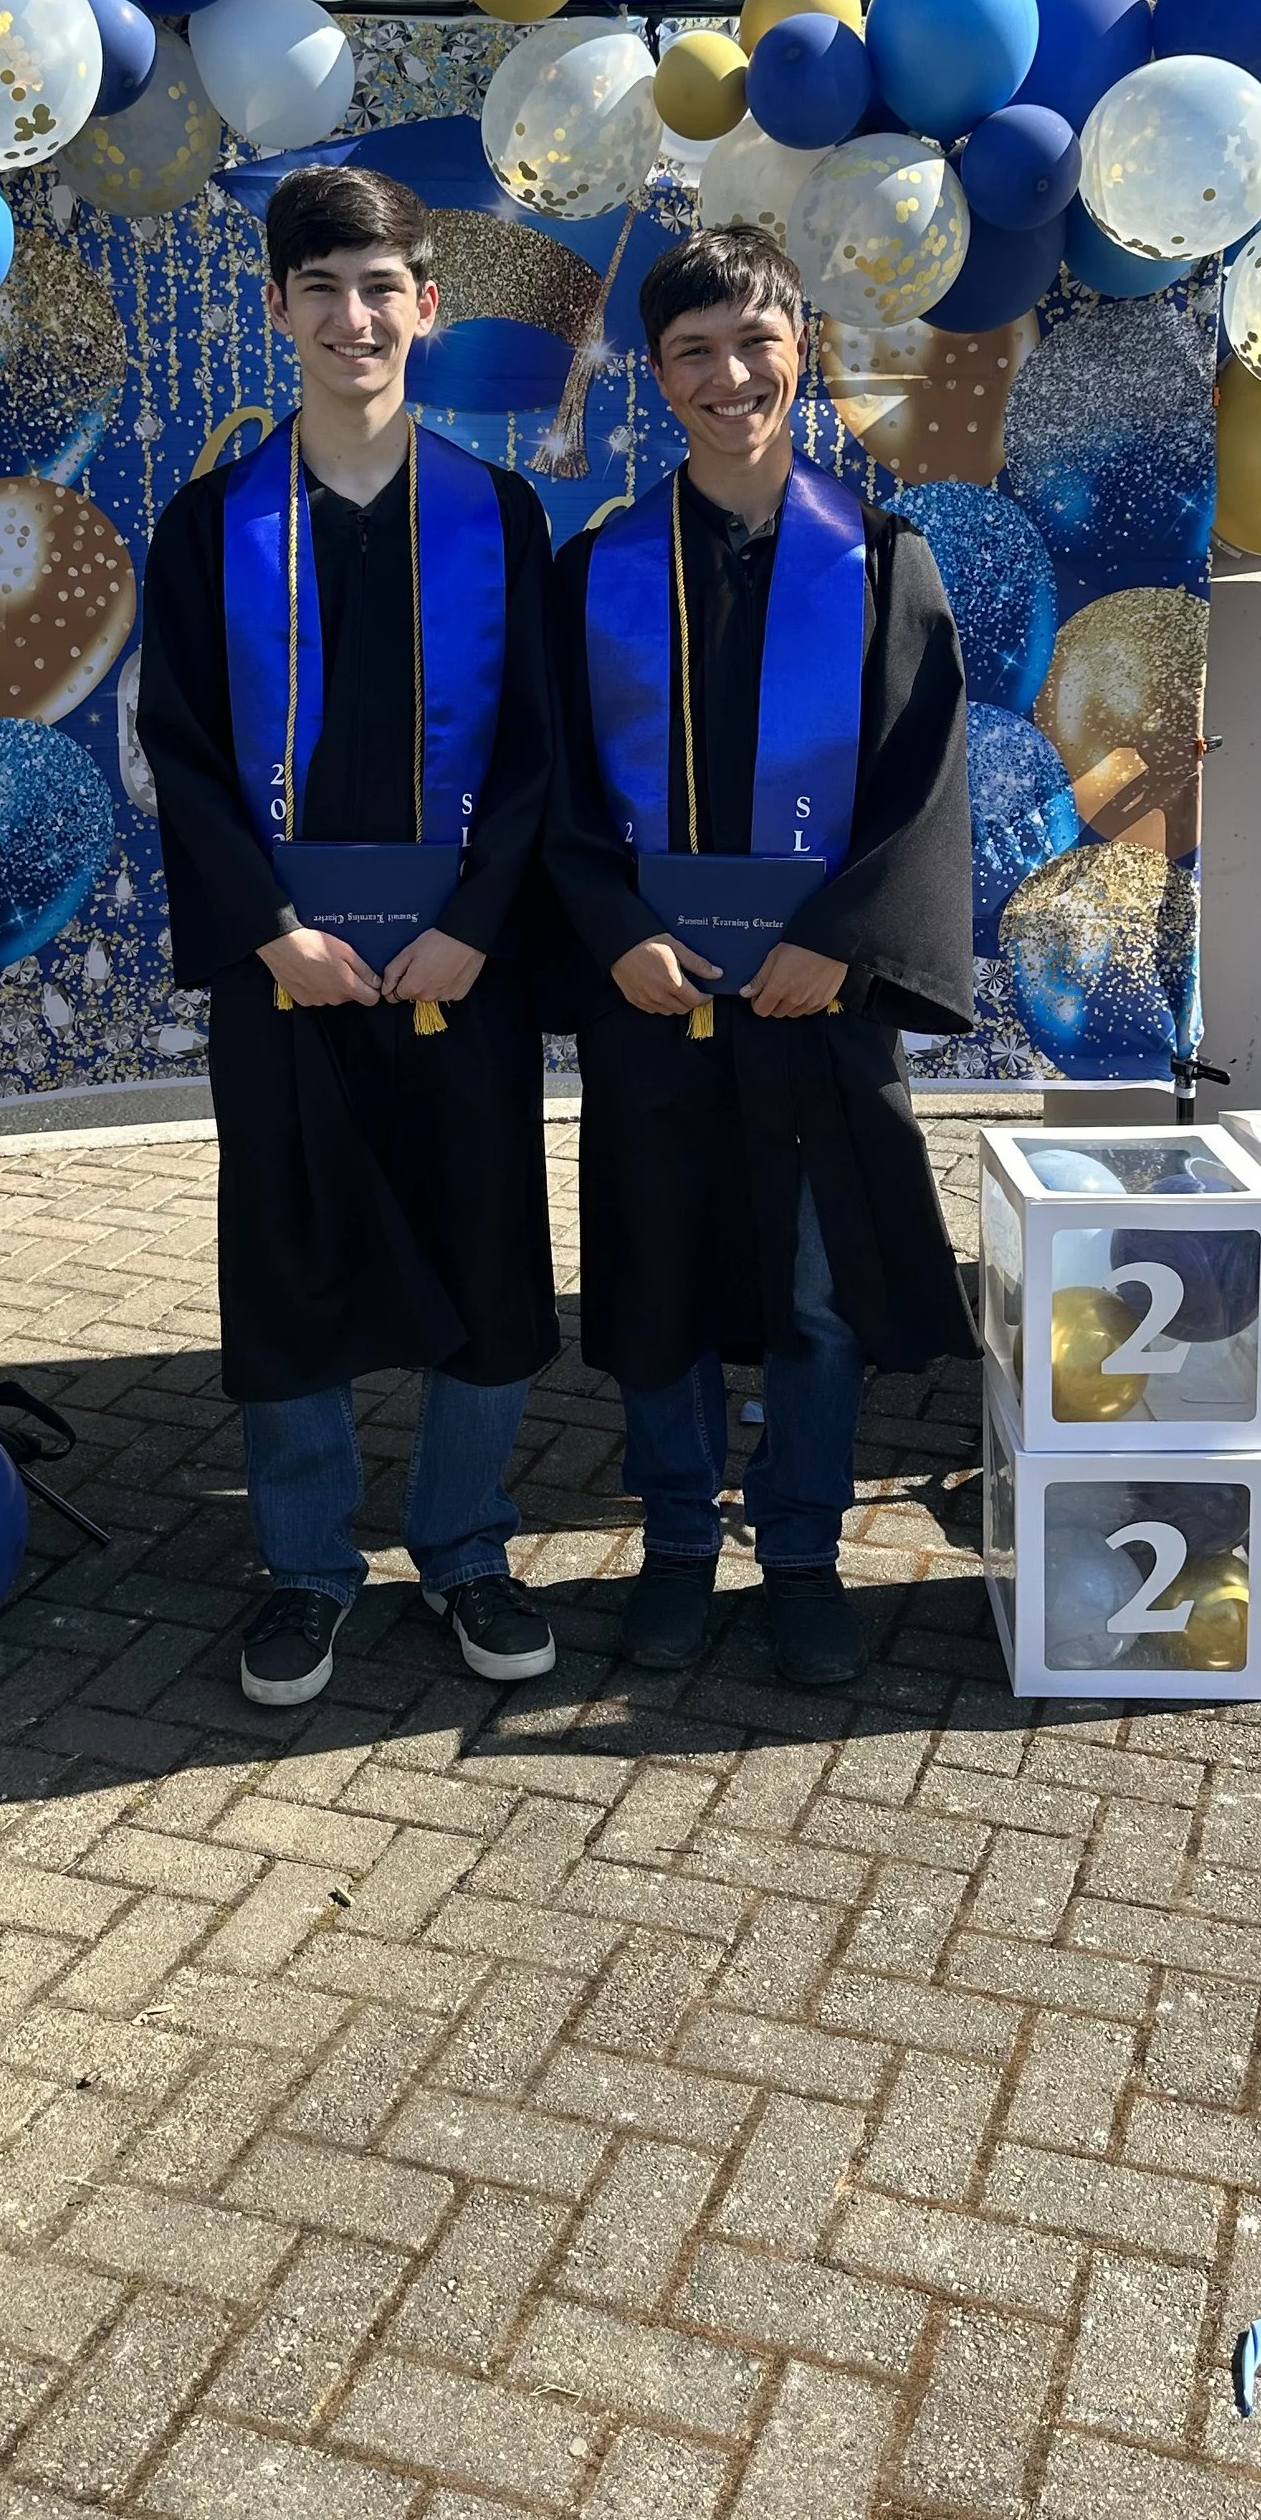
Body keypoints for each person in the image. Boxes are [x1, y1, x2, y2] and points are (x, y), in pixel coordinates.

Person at [136, 166, 560, 1706]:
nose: (353, 316)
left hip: (460, 969)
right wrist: (269, 932)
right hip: (289, 975)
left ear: (427, 307)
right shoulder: (211, 525)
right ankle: (308, 1566)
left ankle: (467, 1546)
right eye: (321, 287)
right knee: (289, 1254)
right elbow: (183, 750)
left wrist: (477, 923)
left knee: (485, 1250)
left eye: (381, 286)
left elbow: (539, 750)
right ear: (277, 307)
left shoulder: (499, 514)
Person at [545, 224, 978, 1689]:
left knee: (814, 1291)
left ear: (803, 350)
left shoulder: (882, 562)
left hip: (814, 1009)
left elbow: (923, 781)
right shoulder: (600, 570)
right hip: (654, 1001)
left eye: (755, 343)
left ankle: (800, 1553)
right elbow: (555, 788)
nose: (729, 376)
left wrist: (842, 949)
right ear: (656, 375)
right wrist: (617, 934)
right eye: (694, 352)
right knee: (656, 1279)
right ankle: (676, 1545)